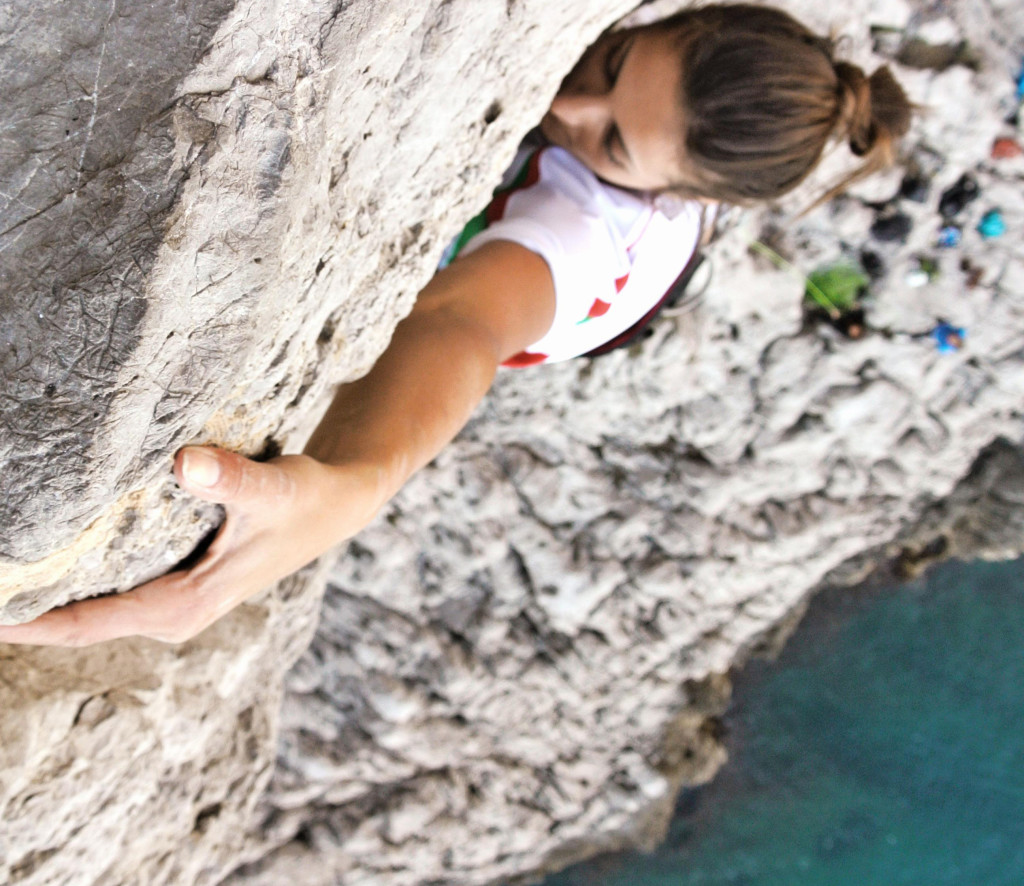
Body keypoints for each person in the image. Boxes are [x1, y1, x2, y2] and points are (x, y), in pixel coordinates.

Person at [0, 3, 912, 646]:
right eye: (611, 65)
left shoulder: (583, 231)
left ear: (673, 195)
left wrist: (353, 487)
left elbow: (464, 325)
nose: (569, 106)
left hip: (580, 307)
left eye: (614, 144)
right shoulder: (691, 97)